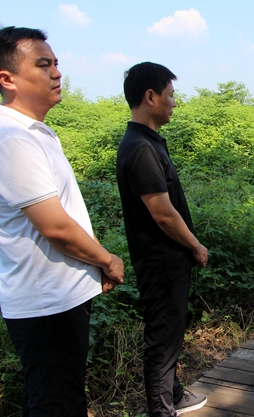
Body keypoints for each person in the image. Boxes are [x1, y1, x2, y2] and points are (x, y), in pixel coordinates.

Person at [0, 26, 124, 416]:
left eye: (56, 63)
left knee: (59, 394)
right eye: (43, 64)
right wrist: (106, 259)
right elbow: (54, 226)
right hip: (45, 301)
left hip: (59, 296)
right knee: (56, 401)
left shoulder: (37, 132)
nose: (57, 73)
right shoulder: (12, 138)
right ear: (7, 79)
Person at [116, 62, 208, 416]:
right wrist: (195, 245)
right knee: (163, 339)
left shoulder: (146, 142)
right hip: (161, 262)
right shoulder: (140, 148)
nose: (174, 102)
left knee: (170, 333)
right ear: (151, 97)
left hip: (167, 260)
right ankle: (161, 409)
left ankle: (173, 393)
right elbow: (162, 213)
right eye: (170, 95)